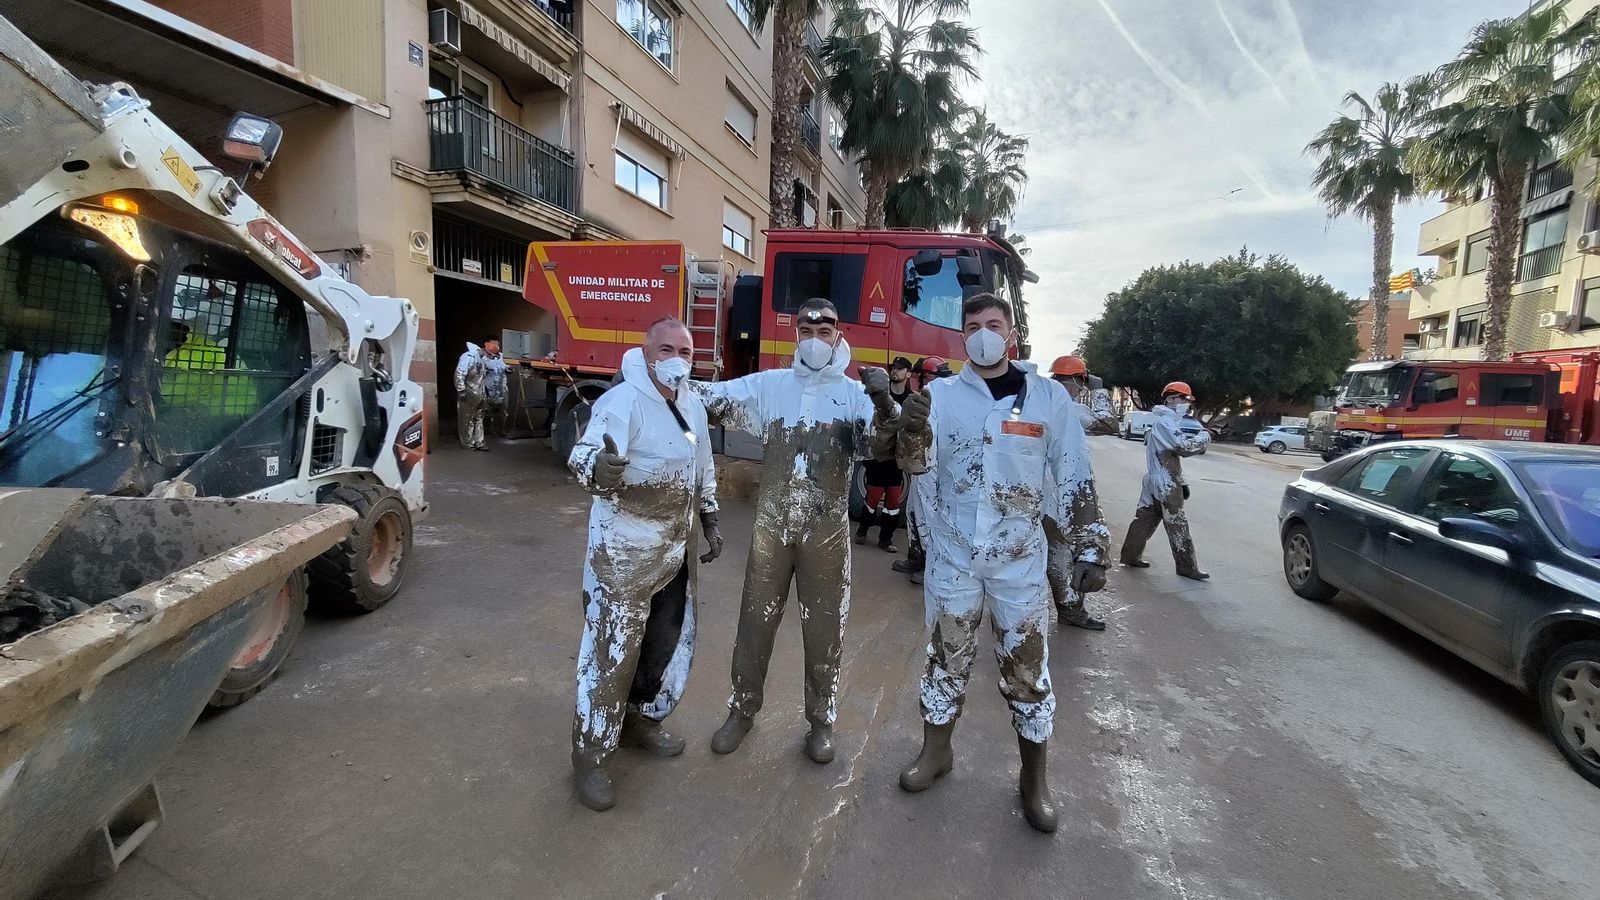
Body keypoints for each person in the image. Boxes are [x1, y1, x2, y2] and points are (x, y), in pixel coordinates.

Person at [895, 294, 1110, 833]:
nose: (983, 333)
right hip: (953, 558)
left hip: (1019, 562)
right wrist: (912, 429)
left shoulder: (1048, 399)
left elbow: (1074, 472)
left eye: (994, 324)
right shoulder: (940, 395)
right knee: (946, 656)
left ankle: (1033, 779)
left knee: (1027, 669)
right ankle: (937, 753)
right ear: (961, 336)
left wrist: (1091, 544)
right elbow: (914, 466)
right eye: (973, 326)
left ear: (1010, 333)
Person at [696, 298, 898, 765]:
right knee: (754, 622)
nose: (814, 338)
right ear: (795, 336)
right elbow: (708, 399)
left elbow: (890, 445)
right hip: (771, 529)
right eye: (805, 330)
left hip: (825, 537)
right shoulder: (771, 386)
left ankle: (821, 721)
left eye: (823, 330)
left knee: (825, 629)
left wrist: (886, 401)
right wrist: (655, 381)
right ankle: (741, 711)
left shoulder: (853, 396)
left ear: (838, 335)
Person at [567, 317, 722, 811]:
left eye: (685, 348)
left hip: (674, 551)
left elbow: (703, 467)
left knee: (661, 644)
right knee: (610, 655)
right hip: (624, 554)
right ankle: (591, 756)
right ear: (647, 350)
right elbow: (585, 453)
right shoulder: (623, 400)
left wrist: (711, 516)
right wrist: (598, 468)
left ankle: (637, 720)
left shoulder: (692, 403)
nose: (676, 356)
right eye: (666, 348)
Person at [1045, 355, 1118, 631]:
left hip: (1034, 495)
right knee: (1062, 555)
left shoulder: (1038, 402)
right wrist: (1099, 392)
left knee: (1046, 552)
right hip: (1060, 496)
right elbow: (1109, 423)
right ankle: (1071, 610)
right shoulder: (1069, 408)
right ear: (1078, 381)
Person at [1119, 381, 1211, 580]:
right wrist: (1204, 437)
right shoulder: (1166, 423)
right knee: (1177, 523)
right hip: (1164, 482)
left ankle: (1131, 555)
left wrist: (1183, 481)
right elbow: (1182, 448)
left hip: (1156, 478)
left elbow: (1170, 457)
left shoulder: (1164, 421)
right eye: (1184, 399)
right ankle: (1186, 566)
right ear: (1171, 399)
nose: (1187, 403)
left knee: (1144, 518)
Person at [893, 356, 954, 586]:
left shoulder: (937, 395)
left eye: (920, 376)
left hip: (932, 464)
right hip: (923, 462)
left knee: (926, 513)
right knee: (911, 510)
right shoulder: (938, 393)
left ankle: (931, 565)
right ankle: (915, 556)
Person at [855, 356, 915, 552]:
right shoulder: (880, 394)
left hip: (896, 459)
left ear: (909, 373)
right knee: (873, 496)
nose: (894, 372)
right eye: (893, 368)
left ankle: (886, 539)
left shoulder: (911, 400)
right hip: (878, 456)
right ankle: (862, 530)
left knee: (893, 501)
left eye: (900, 369)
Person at [455, 341, 489, 451]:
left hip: (480, 392)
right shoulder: (468, 356)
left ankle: (479, 441)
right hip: (469, 391)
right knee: (467, 418)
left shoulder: (482, 359)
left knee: (478, 418)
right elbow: (460, 373)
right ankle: (468, 442)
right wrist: (461, 390)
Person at [482, 337, 509, 439]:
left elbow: (503, 366)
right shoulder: (483, 357)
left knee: (503, 410)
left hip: (501, 387)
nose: (495, 347)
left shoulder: (500, 356)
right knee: (487, 410)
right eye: (493, 344)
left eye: (497, 345)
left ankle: (501, 430)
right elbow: (485, 367)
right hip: (488, 387)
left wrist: (508, 369)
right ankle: (487, 429)